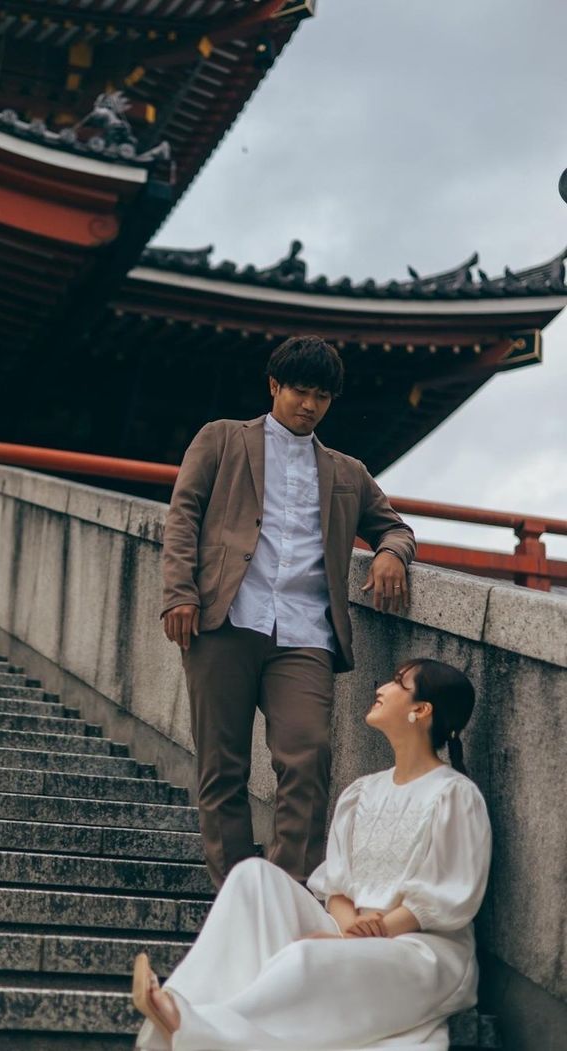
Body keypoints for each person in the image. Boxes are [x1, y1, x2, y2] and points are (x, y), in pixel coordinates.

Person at [133, 658, 492, 1051]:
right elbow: (337, 888)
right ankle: (186, 1001)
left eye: (397, 683)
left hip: (418, 951)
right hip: (355, 932)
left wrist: (366, 936)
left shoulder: (454, 794)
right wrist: (348, 931)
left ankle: (198, 1026)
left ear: (421, 710)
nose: (381, 689)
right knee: (253, 877)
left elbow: (446, 897)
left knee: (309, 957)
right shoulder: (362, 792)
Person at [161, 335, 416, 888]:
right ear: (274, 385)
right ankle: (236, 896)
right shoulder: (223, 439)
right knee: (222, 767)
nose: (310, 405)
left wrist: (392, 554)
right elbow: (183, 515)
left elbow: (395, 527)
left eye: (322, 396)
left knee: (308, 758)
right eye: (300, 391)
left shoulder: (347, 472)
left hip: (305, 633)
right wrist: (179, 593)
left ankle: (284, 894)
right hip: (225, 621)